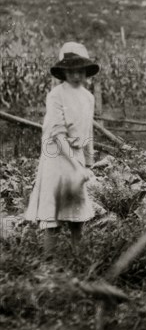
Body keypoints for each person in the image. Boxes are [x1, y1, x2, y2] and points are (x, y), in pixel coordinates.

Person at [25, 42, 99, 256]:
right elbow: (57, 133)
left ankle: (78, 257)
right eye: (71, 70)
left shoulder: (88, 97)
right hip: (56, 155)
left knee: (77, 207)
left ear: (86, 71)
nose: (76, 75)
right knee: (54, 209)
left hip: (76, 154)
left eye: (80, 70)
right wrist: (75, 165)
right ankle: (49, 262)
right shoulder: (56, 95)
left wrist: (88, 162)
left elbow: (88, 132)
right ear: (64, 71)